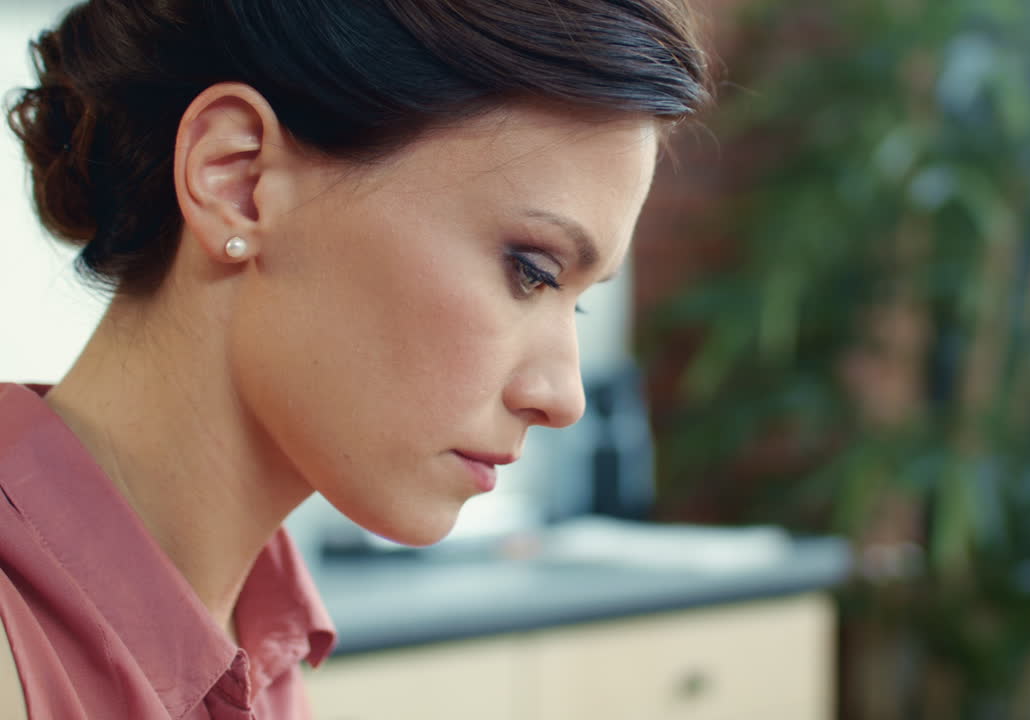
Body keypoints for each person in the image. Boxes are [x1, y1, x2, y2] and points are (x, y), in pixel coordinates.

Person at [0, 0, 710, 717]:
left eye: (577, 301)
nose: (565, 398)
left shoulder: (258, 639)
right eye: (530, 270)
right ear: (237, 180)